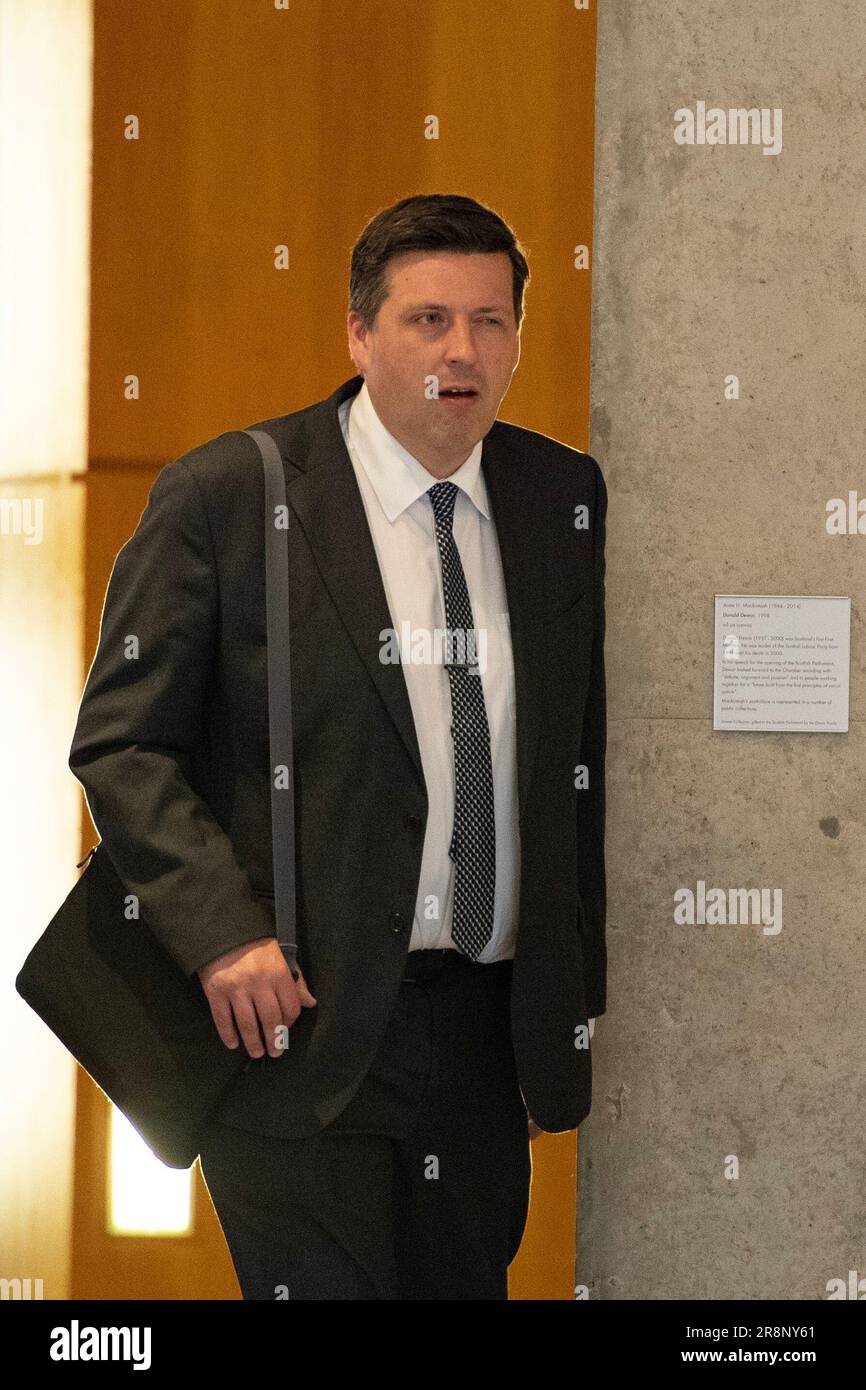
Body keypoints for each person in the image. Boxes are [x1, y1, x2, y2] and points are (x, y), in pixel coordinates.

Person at [69, 193, 607, 1300]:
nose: (460, 351)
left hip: (481, 1038)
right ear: (359, 335)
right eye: (425, 320)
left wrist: (569, 982)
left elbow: (574, 757)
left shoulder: (561, 498)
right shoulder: (231, 496)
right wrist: (223, 937)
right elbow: (124, 742)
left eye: (490, 321)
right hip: (297, 1035)